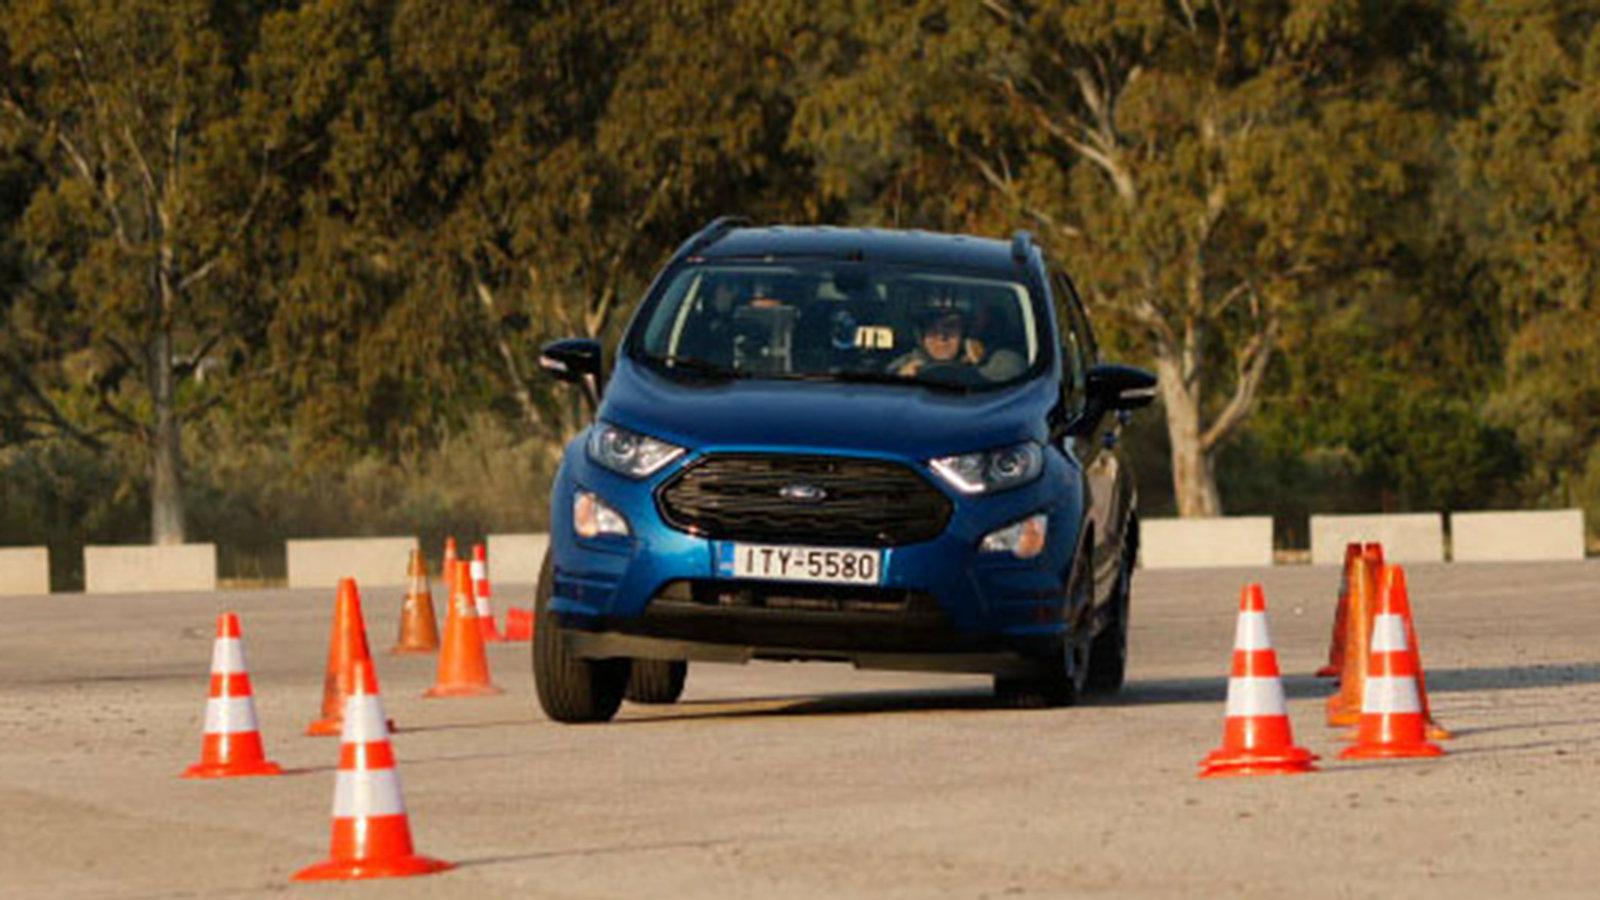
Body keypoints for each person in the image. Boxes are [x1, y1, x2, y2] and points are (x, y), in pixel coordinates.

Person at [889, 289, 1025, 382]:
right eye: (931, 327)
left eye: (950, 326)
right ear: (920, 334)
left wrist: (972, 375)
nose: (941, 336)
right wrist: (900, 383)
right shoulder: (902, 366)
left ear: (967, 331)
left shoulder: (1000, 363)